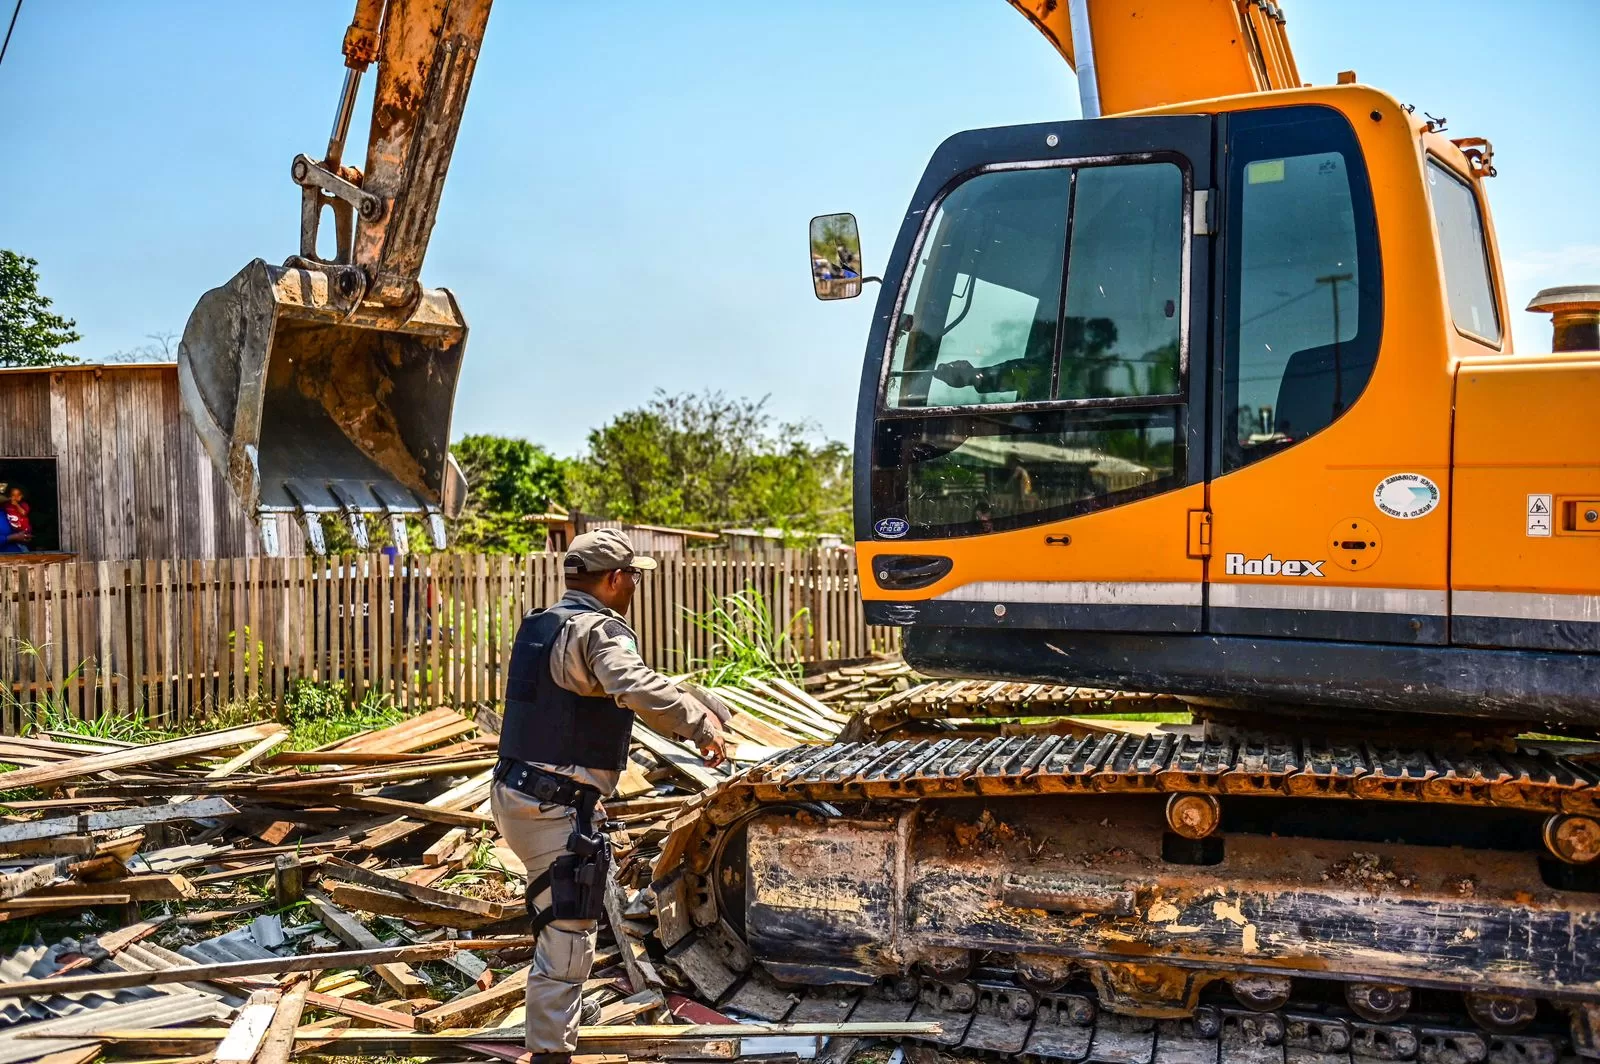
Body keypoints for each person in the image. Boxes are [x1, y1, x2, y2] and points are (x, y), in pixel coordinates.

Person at [493, 528, 730, 1063]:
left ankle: (552, 1025)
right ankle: (550, 1053)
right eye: (633, 578)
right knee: (569, 930)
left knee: (554, 911)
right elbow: (630, 682)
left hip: (518, 789)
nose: (635, 587)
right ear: (616, 579)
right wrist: (698, 724)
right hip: (547, 801)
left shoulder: (546, 624)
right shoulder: (599, 631)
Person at [1, 485, 32, 553]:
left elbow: (23, 513)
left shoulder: (23, 505)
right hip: (14, 534)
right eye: (13, 495)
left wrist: (17, 505)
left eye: (18, 495)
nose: (15, 498)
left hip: (23, 531)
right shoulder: (6, 506)